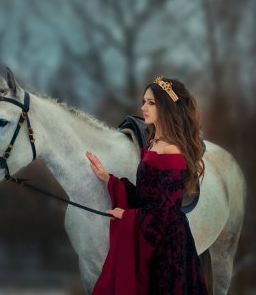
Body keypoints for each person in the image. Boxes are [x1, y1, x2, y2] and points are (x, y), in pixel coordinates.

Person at [86, 77, 208, 294]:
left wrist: (126, 216)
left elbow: (166, 212)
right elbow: (145, 196)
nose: (143, 108)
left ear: (167, 106)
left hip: (167, 251)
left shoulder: (172, 150)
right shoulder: (154, 143)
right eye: (144, 101)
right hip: (153, 238)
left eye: (151, 103)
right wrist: (109, 179)